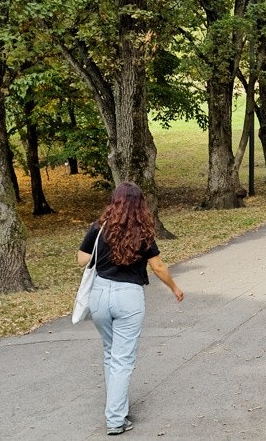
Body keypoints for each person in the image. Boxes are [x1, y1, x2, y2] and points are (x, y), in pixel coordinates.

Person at [76, 182, 185, 436]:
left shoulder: (99, 226)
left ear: (115, 201)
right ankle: (115, 418)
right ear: (140, 204)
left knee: (110, 352)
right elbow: (157, 267)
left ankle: (118, 406)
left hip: (100, 294)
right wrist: (175, 288)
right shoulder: (143, 232)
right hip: (129, 297)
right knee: (122, 358)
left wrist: (102, 253)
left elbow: (82, 259)